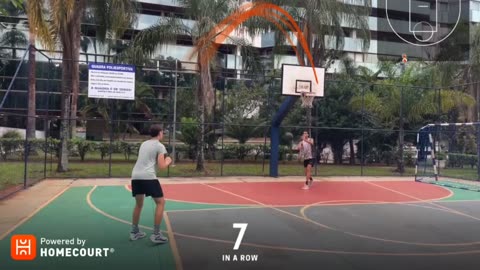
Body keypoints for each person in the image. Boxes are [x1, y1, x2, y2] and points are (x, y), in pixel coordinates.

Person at [129, 124, 172, 244]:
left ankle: (134, 232)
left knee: (138, 204)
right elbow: (162, 166)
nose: (163, 134)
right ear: (159, 134)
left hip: (136, 176)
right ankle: (156, 234)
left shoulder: (144, 143)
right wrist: (168, 160)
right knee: (161, 202)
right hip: (148, 177)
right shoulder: (160, 146)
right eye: (162, 132)